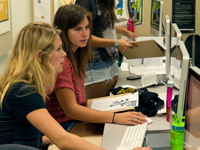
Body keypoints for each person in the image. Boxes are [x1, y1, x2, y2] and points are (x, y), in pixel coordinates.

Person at [44, 4, 150, 150]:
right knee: (114, 137)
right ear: (63, 31)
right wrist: (114, 117)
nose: (85, 34)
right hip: (62, 126)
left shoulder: (77, 56)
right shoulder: (63, 63)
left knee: (121, 129)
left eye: (87, 28)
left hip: (72, 121)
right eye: (77, 29)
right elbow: (72, 110)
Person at [0, 22, 113, 150]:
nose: (64, 54)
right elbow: (63, 141)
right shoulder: (23, 92)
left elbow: (20, 137)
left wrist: (50, 136)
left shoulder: (23, 84)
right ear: (40, 56)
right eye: (58, 49)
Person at [75, 0, 139, 100]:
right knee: (97, 107)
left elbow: (103, 24)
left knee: (108, 104)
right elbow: (83, 37)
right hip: (94, 64)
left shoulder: (106, 2)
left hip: (110, 61)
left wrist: (125, 31)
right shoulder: (87, 2)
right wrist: (115, 43)